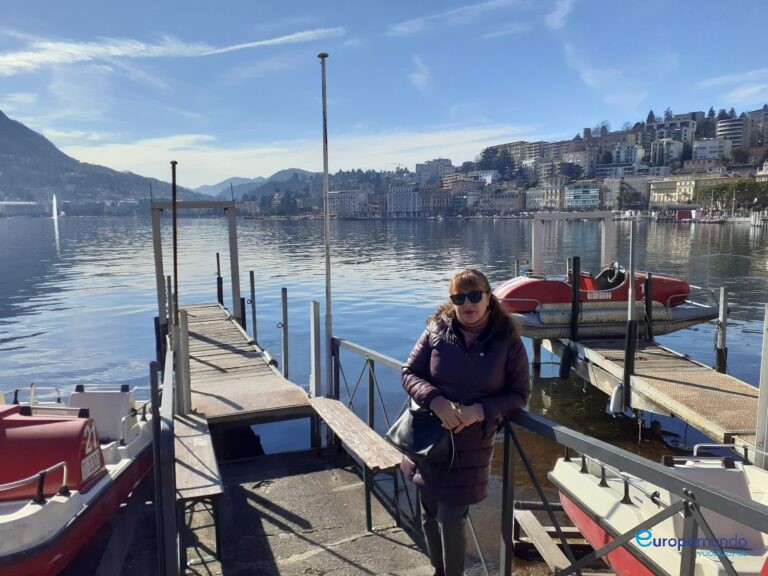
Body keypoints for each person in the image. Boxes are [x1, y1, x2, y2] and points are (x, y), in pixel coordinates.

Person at [401, 268, 531, 576]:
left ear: (489, 298)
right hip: (430, 439)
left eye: (474, 295)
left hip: (470, 446)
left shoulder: (507, 341)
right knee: (429, 514)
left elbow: (519, 394)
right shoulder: (436, 330)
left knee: (450, 519)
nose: (467, 303)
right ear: (452, 301)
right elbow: (409, 372)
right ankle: (438, 569)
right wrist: (435, 400)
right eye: (459, 297)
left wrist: (480, 411)